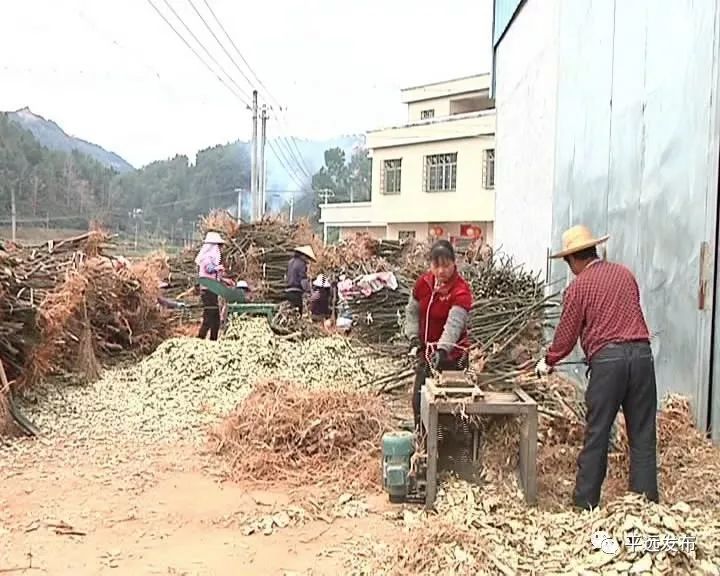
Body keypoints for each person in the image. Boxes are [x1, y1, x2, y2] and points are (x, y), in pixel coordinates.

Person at [535, 225, 658, 510]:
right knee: (642, 434)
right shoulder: (625, 274)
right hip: (641, 357)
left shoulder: (579, 286)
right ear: (594, 250)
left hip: (608, 363)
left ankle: (585, 502)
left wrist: (549, 360)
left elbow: (565, 336)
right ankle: (645, 504)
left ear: (573, 260)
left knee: (598, 433)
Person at [404, 240, 473, 430]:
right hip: (425, 354)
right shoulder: (423, 283)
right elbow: (411, 312)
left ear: (454, 263)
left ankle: (448, 452)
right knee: (419, 403)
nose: (441, 271)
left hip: (453, 358)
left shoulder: (461, 290)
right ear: (430, 265)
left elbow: (454, 324)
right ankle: (422, 445)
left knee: (448, 409)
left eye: (446, 265)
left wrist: (443, 350)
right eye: (436, 266)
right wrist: (413, 338)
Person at [195, 231, 225, 341]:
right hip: (207, 291)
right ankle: (209, 340)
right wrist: (218, 268)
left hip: (211, 290)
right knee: (213, 317)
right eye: (219, 246)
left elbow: (214, 275)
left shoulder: (212, 259)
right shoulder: (207, 257)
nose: (220, 249)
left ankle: (203, 339)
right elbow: (209, 269)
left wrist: (225, 280)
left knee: (209, 317)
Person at [285, 245, 316, 313]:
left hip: (288, 291)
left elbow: (286, 276)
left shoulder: (290, 262)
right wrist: (310, 292)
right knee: (298, 313)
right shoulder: (301, 264)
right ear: (303, 255)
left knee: (291, 312)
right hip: (296, 292)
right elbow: (303, 280)